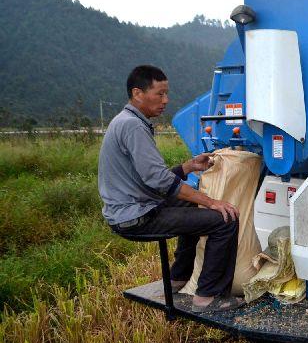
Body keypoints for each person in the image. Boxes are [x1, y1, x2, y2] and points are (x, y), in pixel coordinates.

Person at [98, 65, 241, 313]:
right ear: (137, 93)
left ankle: (177, 278)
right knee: (224, 220)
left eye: (166, 94)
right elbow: (160, 181)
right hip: (136, 216)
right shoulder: (132, 126)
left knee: (190, 204)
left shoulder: (126, 121)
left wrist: (188, 167)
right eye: (159, 94)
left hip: (133, 208)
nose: (166, 100)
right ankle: (208, 297)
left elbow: (146, 177)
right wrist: (211, 202)